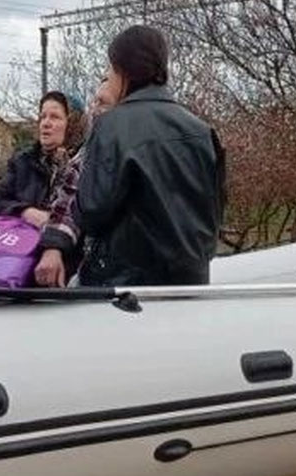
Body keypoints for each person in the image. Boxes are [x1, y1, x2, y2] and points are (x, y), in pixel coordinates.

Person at [59, 25, 225, 287]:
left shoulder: (111, 126)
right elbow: (214, 212)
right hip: (190, 283)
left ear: (123, 70)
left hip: (123, 287)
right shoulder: (202, 131)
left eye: (111, 68)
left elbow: (92, 210)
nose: (108, 76)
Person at [34, 77, 120, 287]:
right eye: (94, 102)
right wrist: (52, 244)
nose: (95, 110)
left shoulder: (110, 149)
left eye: (102, 103)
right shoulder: (26, 160)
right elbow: (70, 201)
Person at [0, 91, 84, 227]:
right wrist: (25, 212)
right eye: (42, 117)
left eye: (55, 117)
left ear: (73, 124)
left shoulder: (86, 165)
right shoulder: (23, 162)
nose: (45, 123)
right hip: (23, 237)